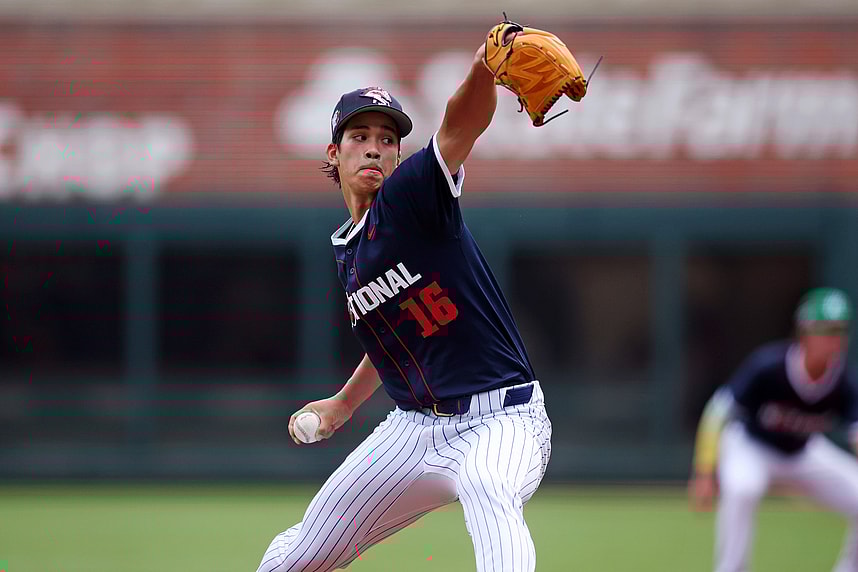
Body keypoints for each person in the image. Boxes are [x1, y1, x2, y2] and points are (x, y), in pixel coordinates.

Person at [255, 37, 552, 572]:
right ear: (333, 153)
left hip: (501, 420)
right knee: (305, 552)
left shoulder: (412, 196)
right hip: (413, 429)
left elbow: (461, 125)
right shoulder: (347, 247)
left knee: (490, 492)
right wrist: (345, 403)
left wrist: (483, 69)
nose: (375, 147)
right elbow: (394, 337)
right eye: (359, 135)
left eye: (387, 139)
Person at [689, 287, 858, 571]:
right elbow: (717, 412)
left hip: (803, 452)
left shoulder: (844, 381)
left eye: (840, 331)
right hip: (751, 447)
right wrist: (705, 470)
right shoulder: (768, 366)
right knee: (743, 488)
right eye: (826, 330)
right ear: (804, 332)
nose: (834, 340)